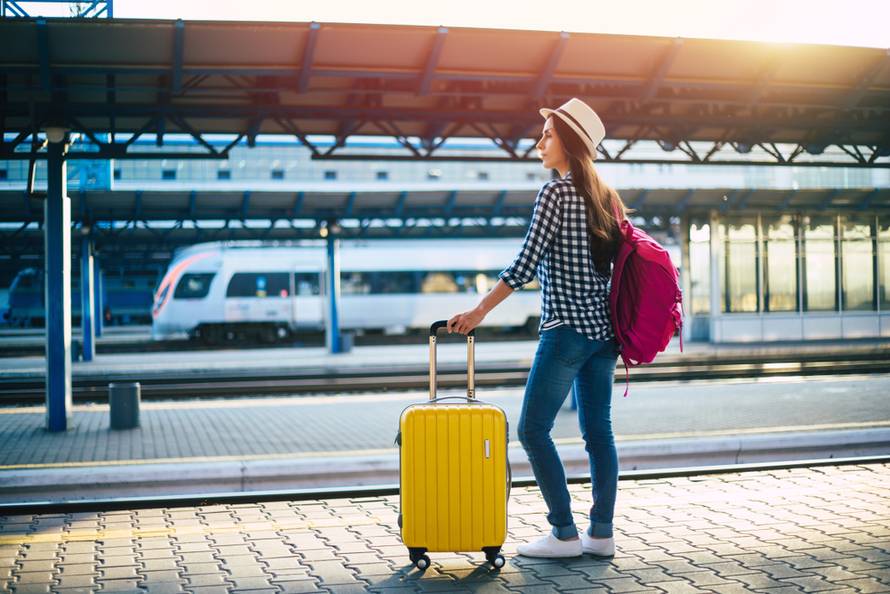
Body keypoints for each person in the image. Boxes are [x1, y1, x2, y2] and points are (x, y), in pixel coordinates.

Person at [447, 97, 627, 558]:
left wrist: (479, 311)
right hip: (604, 335)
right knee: (598, 432)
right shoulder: (605, 196)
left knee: (531, 430)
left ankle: (564, 533)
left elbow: (525, 263)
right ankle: (601, 535)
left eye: (547, 134)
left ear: (568, 141)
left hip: (566, 330)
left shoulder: (555, 193)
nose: (539, 142)